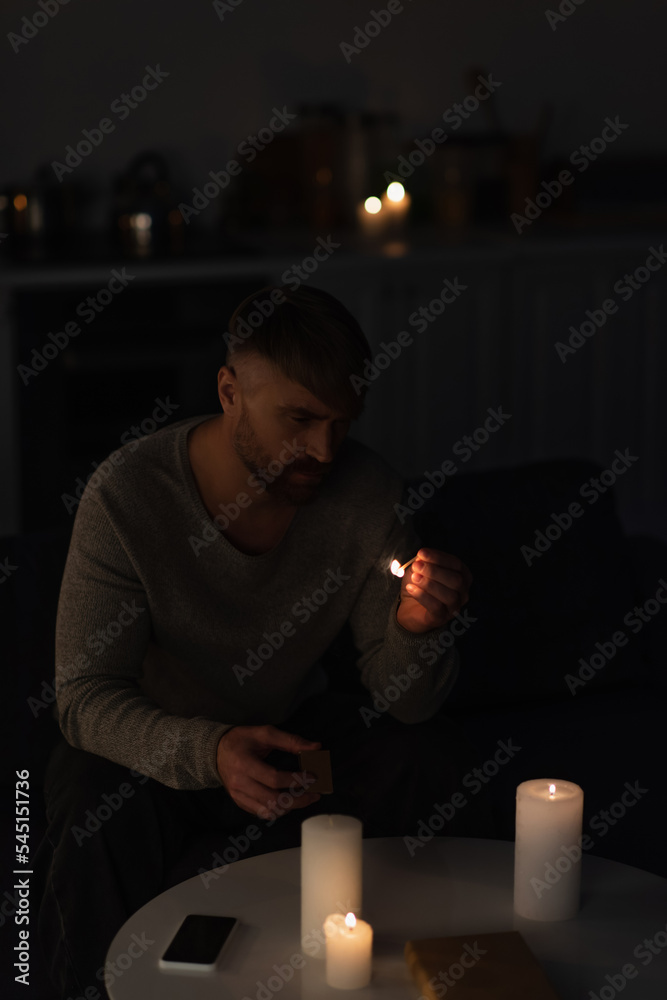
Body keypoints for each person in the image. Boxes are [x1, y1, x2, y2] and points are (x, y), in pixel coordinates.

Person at [33, 284, 489, 1000]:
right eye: (300, 419)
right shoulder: (127, 495)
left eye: (341, 422)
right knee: (89, 801)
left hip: (289, 737)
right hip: (151, 751)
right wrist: (209, 752)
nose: (323, 450)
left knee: (428, 759)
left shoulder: (366, 492)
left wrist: (415, 633)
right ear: (229, 391)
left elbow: (407, 707)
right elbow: (82, 701)